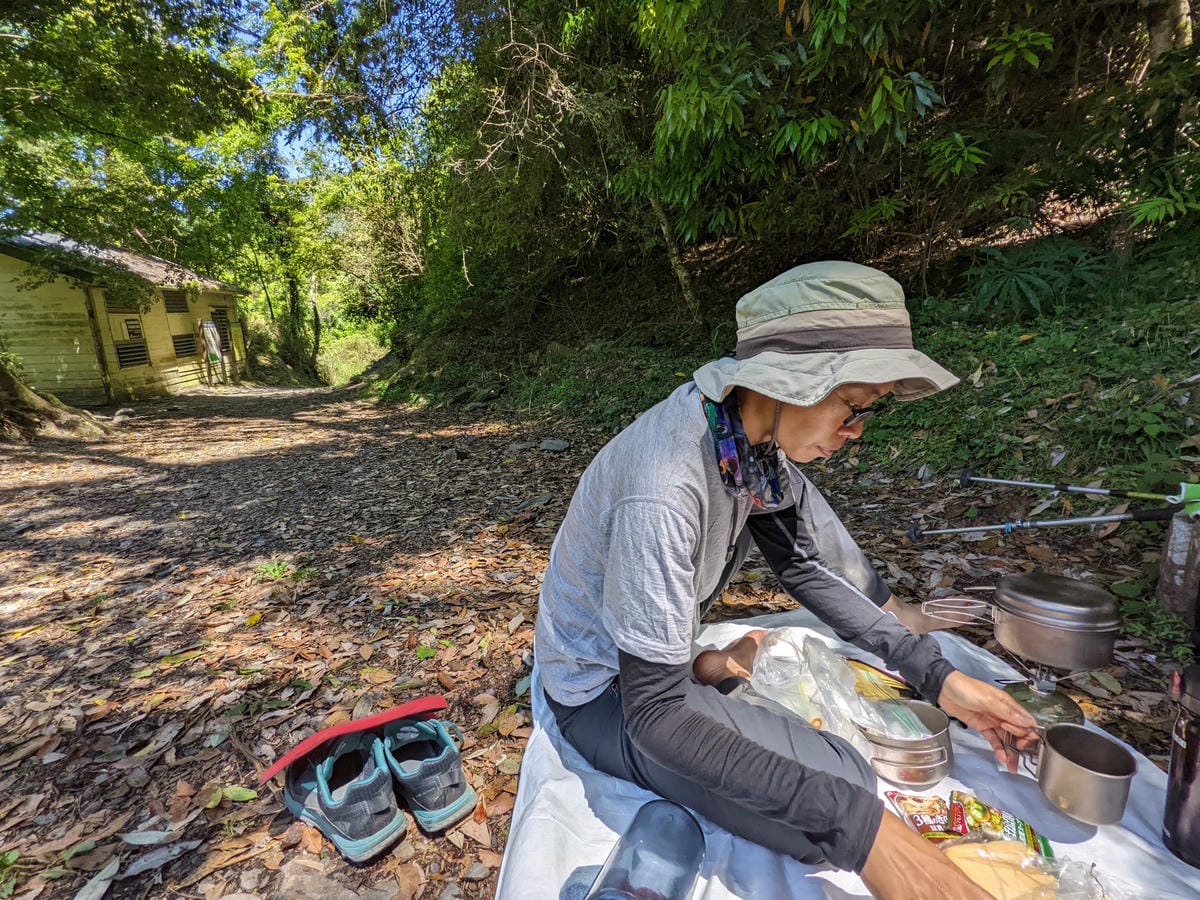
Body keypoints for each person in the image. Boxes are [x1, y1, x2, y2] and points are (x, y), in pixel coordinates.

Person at [532, 261, 1040, 899]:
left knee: (845, 783)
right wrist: (862, 834)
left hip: (649, 677)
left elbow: (805, 566)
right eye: (851, 410)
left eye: (865, 416)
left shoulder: (747, 450)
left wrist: (938, 677)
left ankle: (705, 668)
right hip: (602, 693)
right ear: (786, 383)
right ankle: (703, 671)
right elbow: (655, 715)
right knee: (844, 790)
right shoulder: (664, 485)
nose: (853, 435)